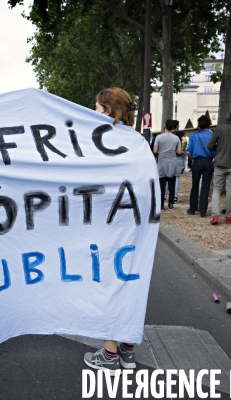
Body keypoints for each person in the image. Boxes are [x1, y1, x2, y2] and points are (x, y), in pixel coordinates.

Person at [82, 87, 139, 375]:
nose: (92, 112)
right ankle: (128, 349)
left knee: (108, 285)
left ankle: (109, 354)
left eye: (96, 106)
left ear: (109, 110)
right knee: (130, 282)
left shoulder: (100, 141)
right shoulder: (139, 141)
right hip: (136, 227)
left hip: (108, 225)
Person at [207, 110, 231, 225]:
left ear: (227, 118)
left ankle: (215, 215)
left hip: (220, 162)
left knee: (217, 189)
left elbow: (210, 145)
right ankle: (229, 216)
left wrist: (219, 150)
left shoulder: (220, 128)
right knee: (230, 190)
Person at [187, 115, 215, 217]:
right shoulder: (211, 135)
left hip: (197, 161)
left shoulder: (193, 135)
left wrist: (192, 159)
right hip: (208, 161)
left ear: (199, 123)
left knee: (195, 184)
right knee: (206, 185)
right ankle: (203, 210)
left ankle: (193, 208)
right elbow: (214, 151)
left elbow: (189, 151)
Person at [154, 119, 183, 210]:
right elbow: (179, 151)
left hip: (162, 161)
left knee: (162, 185)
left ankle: (161, 205)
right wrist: (181, 153)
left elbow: (155, 151)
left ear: (165, 126)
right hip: (172, 162)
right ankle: (171, 204)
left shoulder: (159, 137)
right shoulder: (176, 138)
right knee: (172, 184)